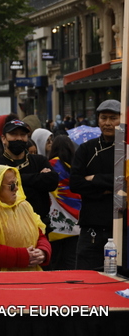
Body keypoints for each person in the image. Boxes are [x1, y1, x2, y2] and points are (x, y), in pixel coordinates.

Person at [70, 99, 121, 270]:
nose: (107, 123)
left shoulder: (126, 149)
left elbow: (124, 182)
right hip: (91, 226)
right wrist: (110, 187)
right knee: (86, 278)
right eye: (103, 118)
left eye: (113, 118)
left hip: (121, 226)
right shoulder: (86, 149)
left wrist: (95, 179)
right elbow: (75, 183)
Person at [0, 119, 58, 228]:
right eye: (14, 134)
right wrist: (38, 178)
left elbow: (52, 182)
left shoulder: (39, 160)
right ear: (4, 139)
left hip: (40, 225)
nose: (19, 138)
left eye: (23, 135)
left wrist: (15, 180)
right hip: (9, 226)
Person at [46, 135, 80, 270]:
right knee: (71, 261)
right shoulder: (75, 167)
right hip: (75, 221)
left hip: (56, 222)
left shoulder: (51, 165)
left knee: (55, 261)